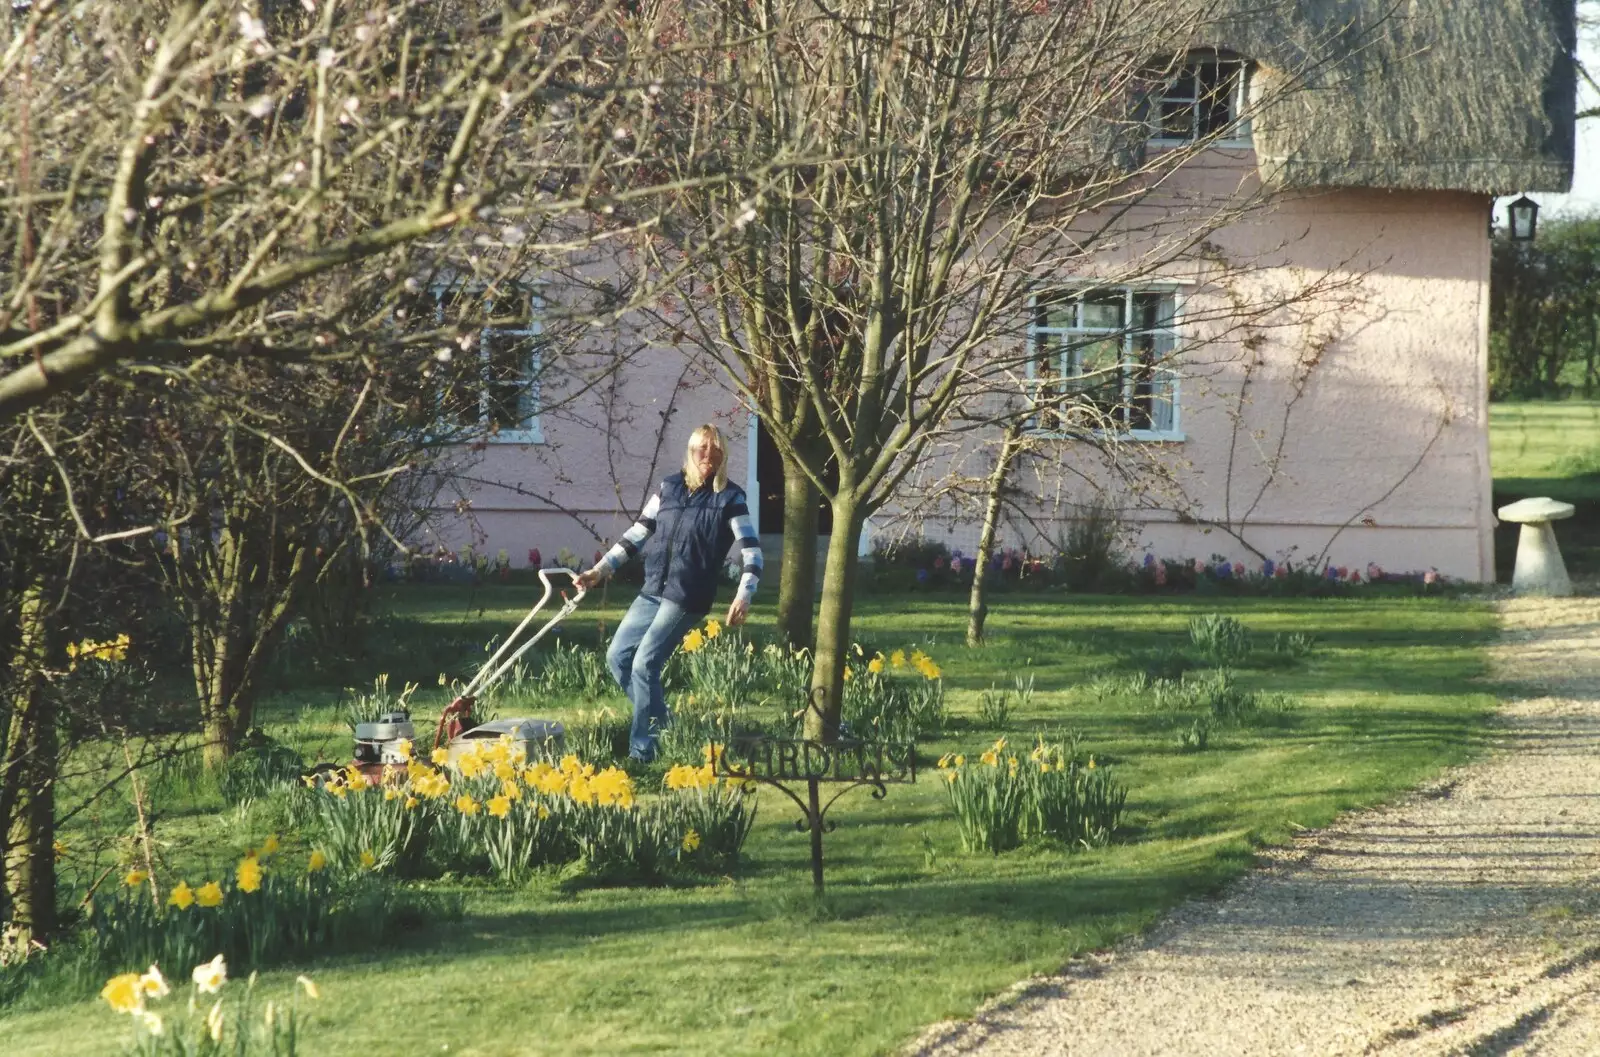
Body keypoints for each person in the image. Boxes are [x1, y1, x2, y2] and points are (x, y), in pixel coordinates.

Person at [577, 424, 763, 762]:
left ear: (723, 455)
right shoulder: (669, 487)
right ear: (690, 452)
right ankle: (665, 725)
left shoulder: (730, 498)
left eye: (715, 449)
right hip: (653, 589)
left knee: (644, 664)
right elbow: (638, 533)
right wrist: (599, 570)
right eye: (701, 448)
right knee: (617, 658)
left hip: (687, 595)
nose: (708, 455)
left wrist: (744, 594)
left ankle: (642, 752)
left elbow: (752, 552)